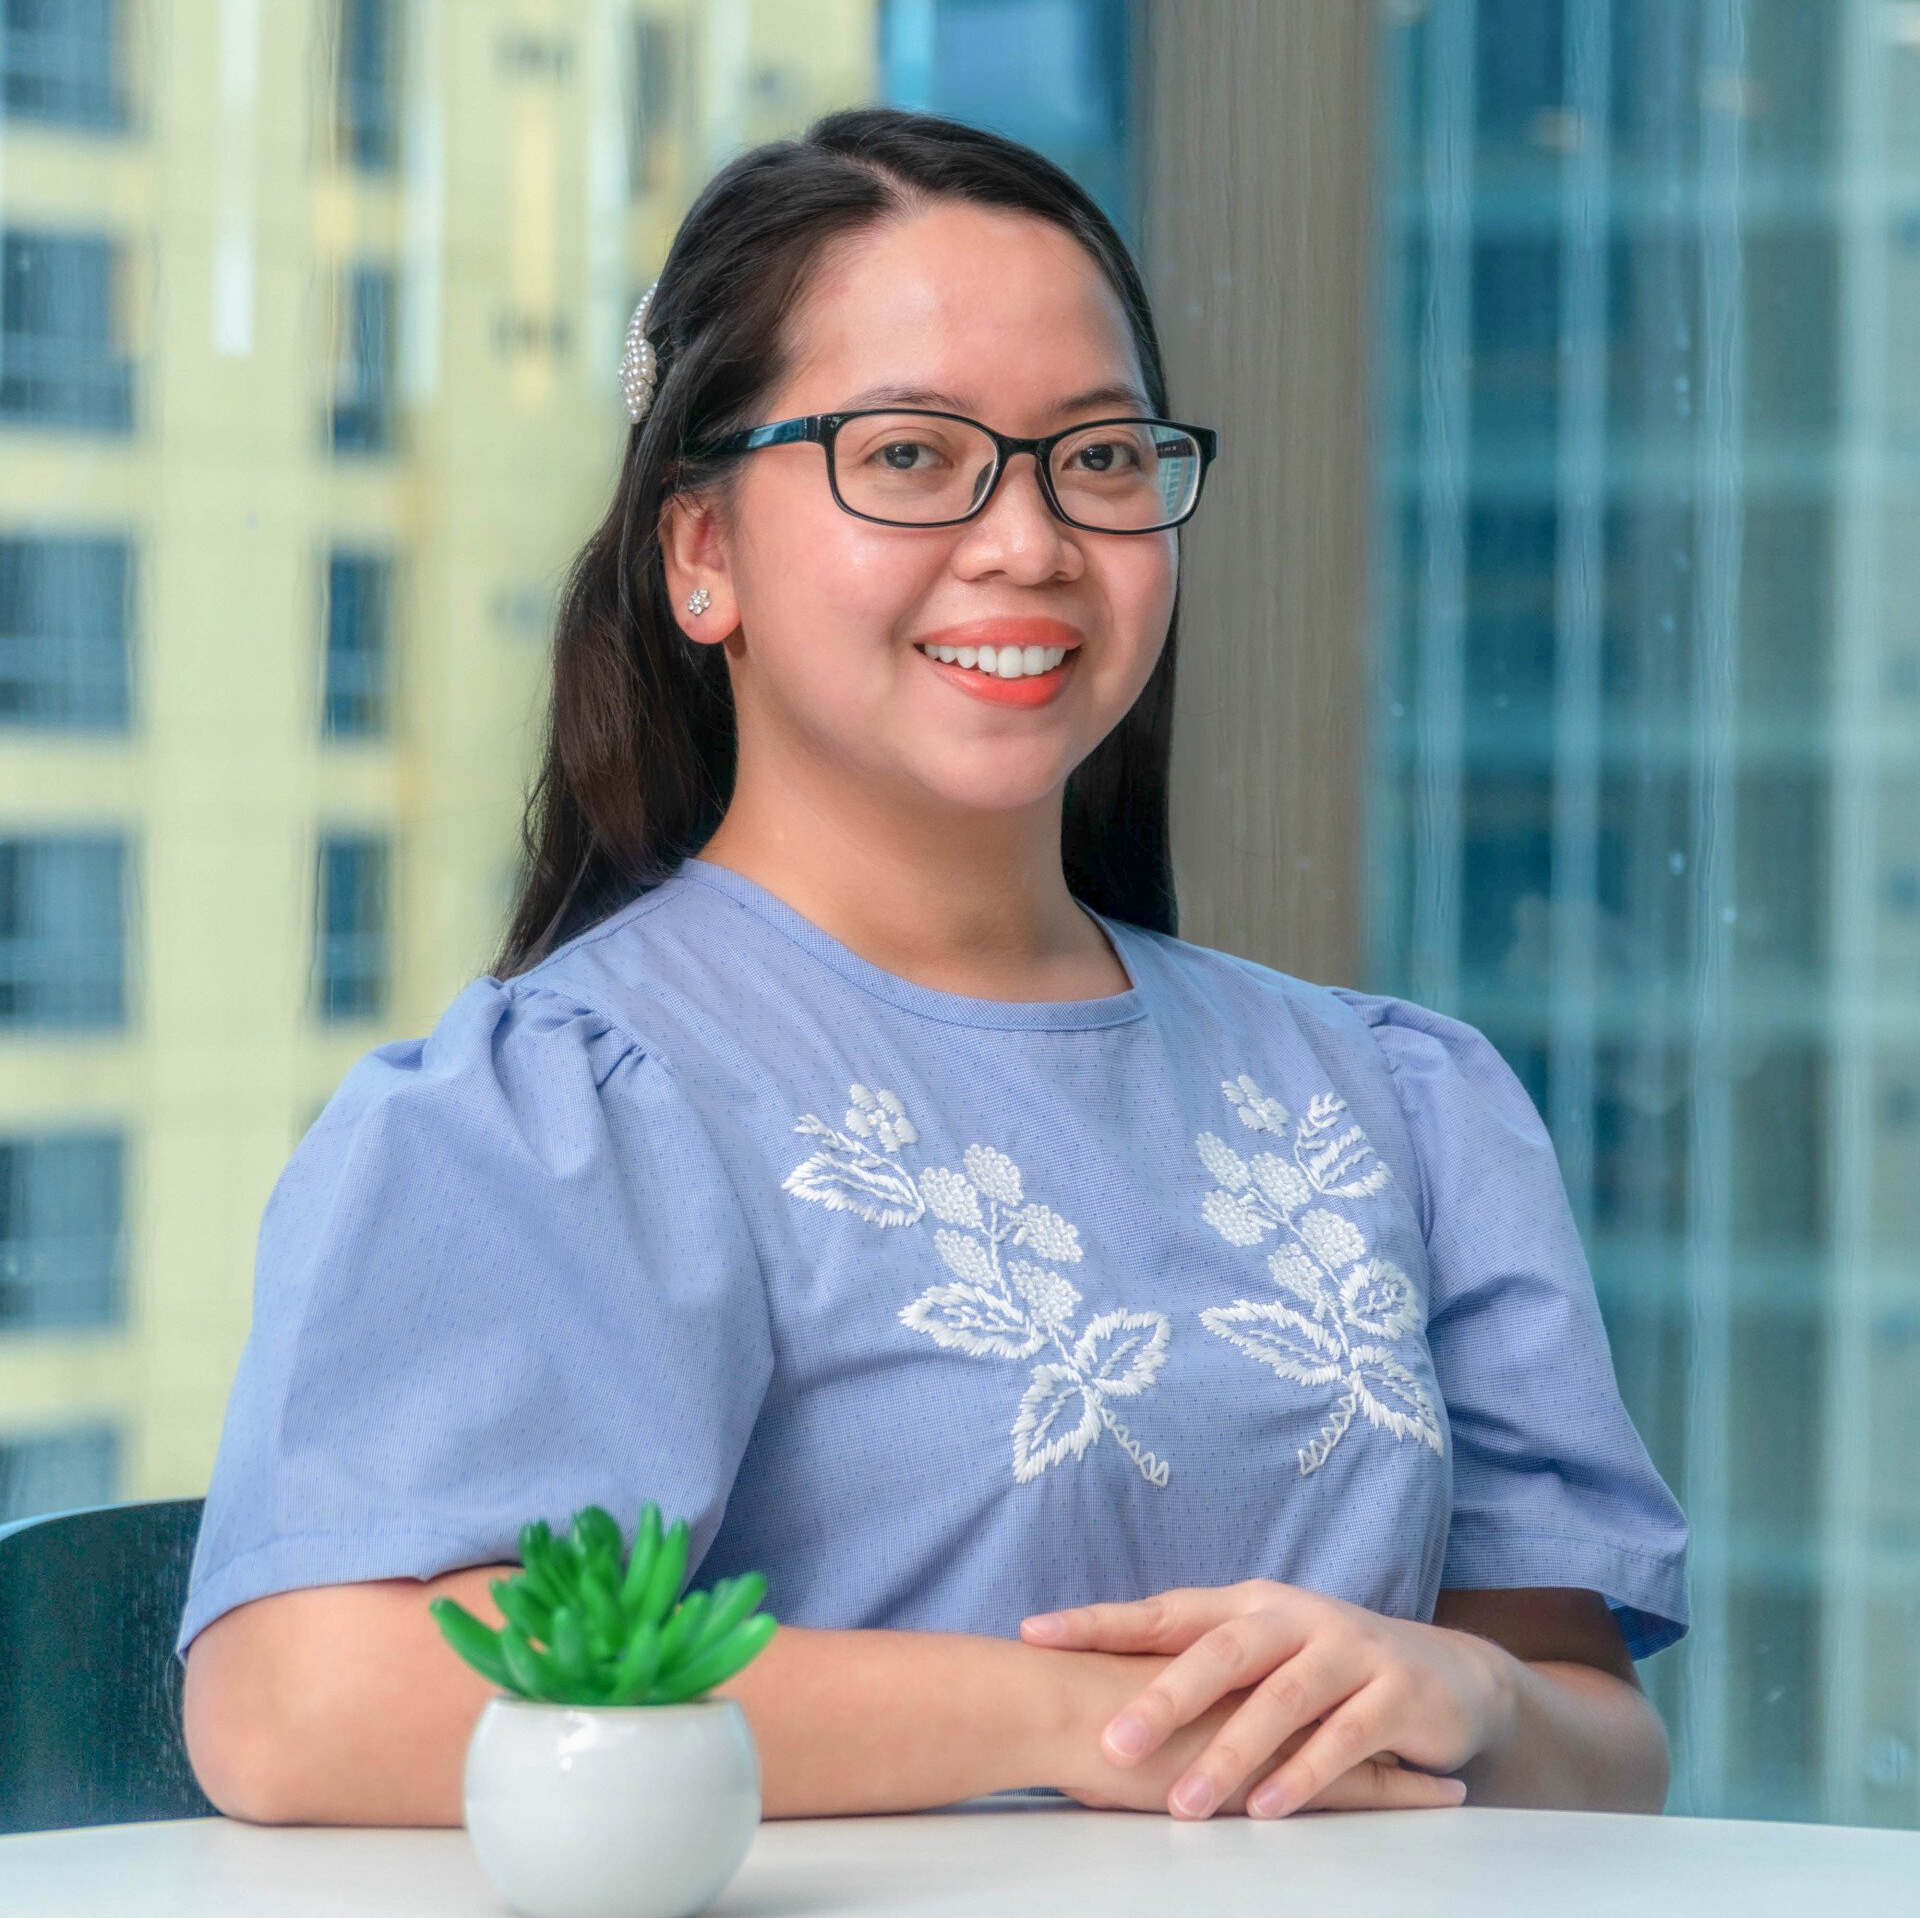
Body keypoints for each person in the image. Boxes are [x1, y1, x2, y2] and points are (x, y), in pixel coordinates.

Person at [178, 105, 1688, 1829]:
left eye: (1100, 456)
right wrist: (1067, 1717)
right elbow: (303, 1693)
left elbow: (1604, 1755)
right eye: (908, 454)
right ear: (701, 553)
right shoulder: (577, 1099)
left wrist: (1476, 1691)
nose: (1030, 539)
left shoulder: (1402, 1097)